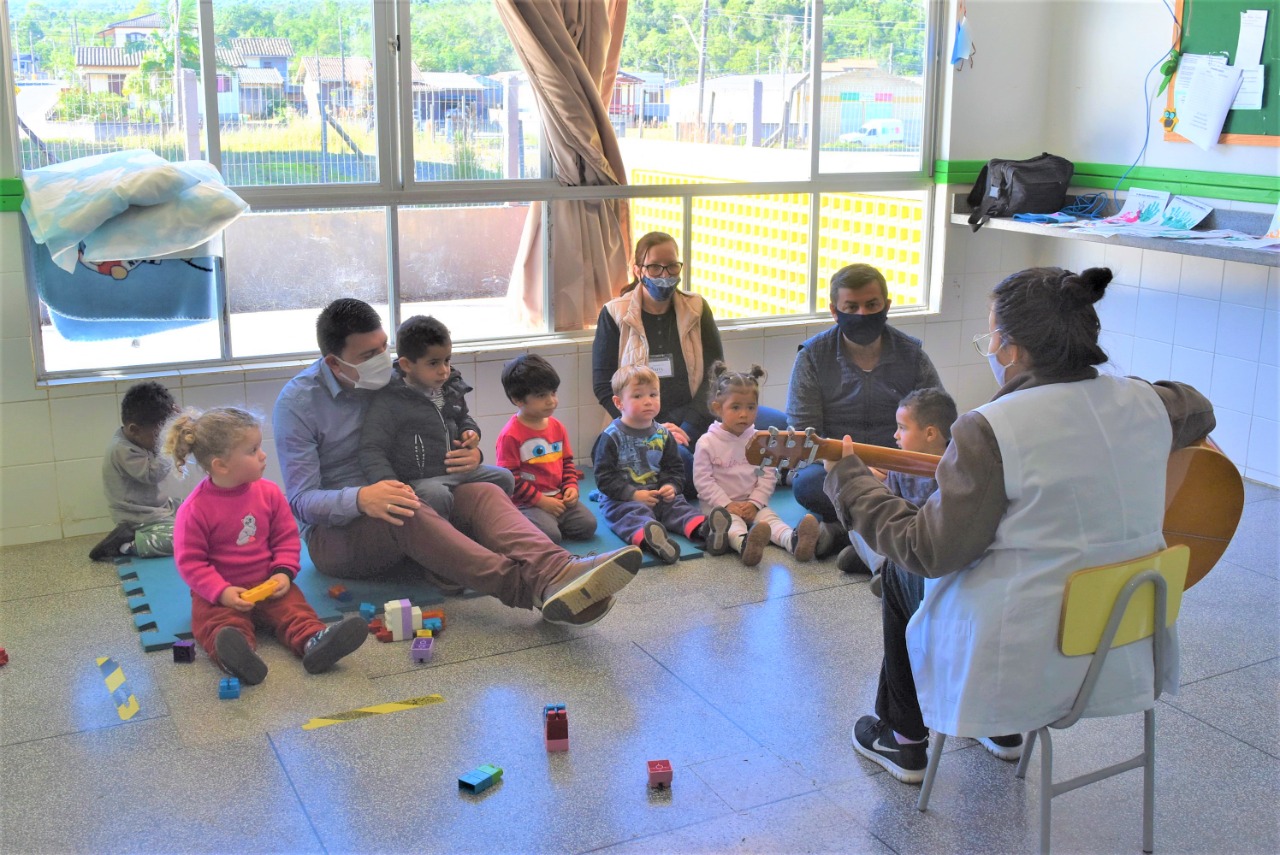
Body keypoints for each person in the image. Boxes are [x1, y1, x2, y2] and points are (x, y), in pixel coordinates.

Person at [823, 266, 1215, 785]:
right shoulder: (1150, 403)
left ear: (1009, 348)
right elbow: (1200, 408)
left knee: (900, 571)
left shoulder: (990, 428)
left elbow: (928, 550)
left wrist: (852, 483)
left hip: (1024, 649)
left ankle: (903, 738)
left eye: (992, 337)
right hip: (1124, 635)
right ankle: (999, 732)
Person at [274, 298, 640, 628]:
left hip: (415, 493)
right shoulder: (298, 404)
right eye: (367, 355)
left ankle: (557, 568)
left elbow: (443, 421)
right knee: (408, 507)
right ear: (333, 363)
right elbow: (301, 501)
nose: (381, 360)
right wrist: (360, 498)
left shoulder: (398, 376)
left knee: (483, 491)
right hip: (341, 534)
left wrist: (472, 451)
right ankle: (528, 587)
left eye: (383, 347)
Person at [165, 407, 367, 685]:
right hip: (221, 593)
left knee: (295, 611)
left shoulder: (270, 493)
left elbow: (285, 537)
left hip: (269, 583)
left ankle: (314, 642)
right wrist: (220, 592)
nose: (263, 455)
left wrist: (283, 572)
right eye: (252, 450)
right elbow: (191, 563)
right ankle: (238, 655)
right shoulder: (195, 509)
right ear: (221, 465)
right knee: (217, 624)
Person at [592, 231, 787, 496]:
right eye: (655, 267)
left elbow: (715, 375)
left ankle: (770, 473)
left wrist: (688, 427)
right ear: (638, 270)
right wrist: (653, 429)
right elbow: (604, 386)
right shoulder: (614, 313)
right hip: (640, 424)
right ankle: (728, 475)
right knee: (683, 464)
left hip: (697, 416)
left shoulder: (696, 307)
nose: (665, 274)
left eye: (672, 266)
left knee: (781, 426)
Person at [786, 263, 943, 561]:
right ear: (835, 311)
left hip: (899, 464)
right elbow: (804, 433)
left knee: (944, 477)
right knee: (806, 484)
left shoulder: (912, 355)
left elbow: (936, 420)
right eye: (851, 306)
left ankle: (840, 534)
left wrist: (894, 467)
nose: (862, 314)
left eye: (871, 305)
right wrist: (856, 472)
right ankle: (880, 540)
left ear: (887, 306)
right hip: (835, 464)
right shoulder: (812, 357)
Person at [358, 315, 513, 520]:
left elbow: (463, 417)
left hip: (456, 472)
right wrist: (391, 485)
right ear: (406, 365)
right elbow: (372, 449)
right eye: (433, 363)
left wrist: (471, 432)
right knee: (437, 496)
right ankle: (445, 541)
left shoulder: (450, 387)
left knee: (505, 477)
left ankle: (482, 528)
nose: (444, 370)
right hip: (420, 481)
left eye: (447, 360)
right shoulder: (390, 399)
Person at [692, 361, 828, 567]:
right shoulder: (707, 442)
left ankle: (794, 541)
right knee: (732, 525)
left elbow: (767, 475)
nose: (744, 414)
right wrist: (728, 504)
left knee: (770, 520)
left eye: (751, 407)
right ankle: (745, 545)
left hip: (752, 503)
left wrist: (755, 503)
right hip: (719, 508)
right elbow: (703, 481)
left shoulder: (760, 440)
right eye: (735, 407)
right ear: (718, 408)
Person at [593, 364, 731, 565]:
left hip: (658, 494)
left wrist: (670, 486)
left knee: (678, 506)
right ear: (618, 402)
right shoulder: (610, 437)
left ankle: (706, 530)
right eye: (638, 396)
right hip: (622, 498)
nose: (648, 401)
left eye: (653, 394)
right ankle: (653, 539)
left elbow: (674, 469)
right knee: (631, 515)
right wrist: (632, 494)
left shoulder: (663, 434)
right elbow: (604, 478)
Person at [852, 387, 957, 598]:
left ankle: (882, 570)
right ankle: (879, 565)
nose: (895, 435)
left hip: (925, 545)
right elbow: (887, 508)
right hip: (902, 537)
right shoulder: (899, 465)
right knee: (856, 510)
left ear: (929, 433)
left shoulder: (953, 468)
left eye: (902, 428)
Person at [495, 354, 596, 544]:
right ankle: (530, 523)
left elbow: (567, 463)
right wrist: (541, 502)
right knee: (551, 536)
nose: (551, 401)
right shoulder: (510, 435)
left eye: (553, 392)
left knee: (588, 525)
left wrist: (571, 487)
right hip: (527, 503)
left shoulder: (557, 427)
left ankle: (550, 522)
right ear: (518, 399)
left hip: (558, 498)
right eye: (542, 396)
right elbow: (510, 479)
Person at [91, 381, 181, 562]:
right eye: (159, 436)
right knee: (182, 539)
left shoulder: (138, 438)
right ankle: (127, 543)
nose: (163, 439)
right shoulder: (122, 450)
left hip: (158, 507)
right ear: (134, 430)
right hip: (137, 517)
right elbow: (152, 474)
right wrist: (170, 446)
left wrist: (176, 423)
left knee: (195, 510)